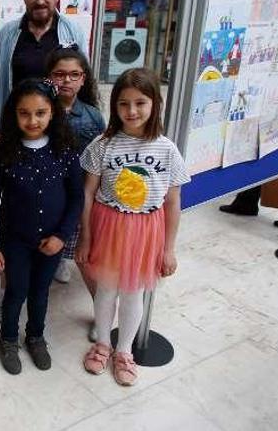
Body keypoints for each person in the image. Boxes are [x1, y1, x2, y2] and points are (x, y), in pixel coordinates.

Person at [75, 68, 189, 387]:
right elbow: (87, 193)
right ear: (115, 107)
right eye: (124, 104)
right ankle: (102, 344)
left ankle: (124, 351)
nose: (132, 111)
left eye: (140, 103)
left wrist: (169, 248)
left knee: (133, 291)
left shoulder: (167, 149)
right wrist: (85, 236)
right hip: (109, 224)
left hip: (146, 230)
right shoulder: (103, 144)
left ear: (155, 104)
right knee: (107, 289)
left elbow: (172, 201)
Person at [0, 78, 83, 375]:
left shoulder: (65, 150)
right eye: (24, 113)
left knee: (41, 293)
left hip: (52, 241)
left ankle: (36, 337)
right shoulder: (1, 154)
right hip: (15, 241)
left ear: (52, 112)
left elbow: (77, 198)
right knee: (16, 291)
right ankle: (9, 340)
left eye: (40, 113)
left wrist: (61, 237)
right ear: (14, 114)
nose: (32, 120)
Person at [44, 47, 106, 319]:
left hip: (78, 197)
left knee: (85, 257)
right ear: (49, 78)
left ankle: (102, 313)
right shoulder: (39, 108)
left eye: (74, 75)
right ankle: (7, 295)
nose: (66, 80)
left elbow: (100, 161)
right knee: (35, 250)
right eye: (59, 74)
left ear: (83, 79)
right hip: (44, 195)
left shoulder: (93, 117)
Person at [0, 0, 89, 121]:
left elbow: (84, 81)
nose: (40, 1)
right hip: (17, 122)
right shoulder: (7, 33)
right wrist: (0, 119)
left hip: (60, 122)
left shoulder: (74, 31)